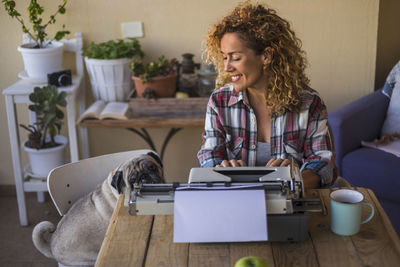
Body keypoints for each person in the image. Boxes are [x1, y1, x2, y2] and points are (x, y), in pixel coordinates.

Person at [197, 1, 337, 189]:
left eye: (236, 57)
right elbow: (209, 154)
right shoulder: (219, 102)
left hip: (291, 203)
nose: (226, 67)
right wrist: (220, 168)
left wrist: (295, 179)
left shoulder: (310, 103)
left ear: (266, 56)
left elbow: (323, 163)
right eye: (224, 57)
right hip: (236, 201)